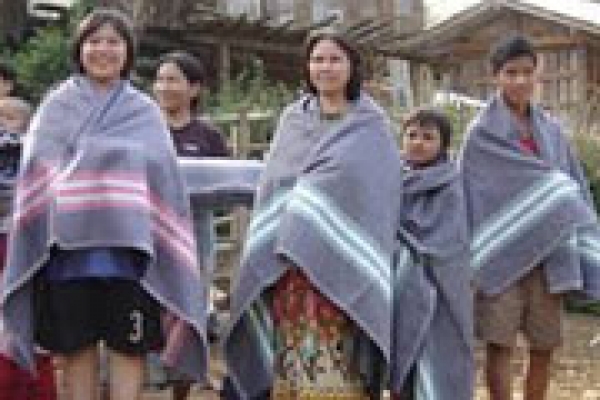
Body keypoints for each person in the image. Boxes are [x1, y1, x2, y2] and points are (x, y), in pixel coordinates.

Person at [0, 9, 208, 400]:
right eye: (94, 41)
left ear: (127, 52)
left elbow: (164, 182)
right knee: (76, 348)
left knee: (128, 347)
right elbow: (37, 176)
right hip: (67, 255)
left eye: (113, 42)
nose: (103, 50)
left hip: (130, 256)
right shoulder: (56, 107)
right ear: (79, 49)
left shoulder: (144, 111)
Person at [222, 29, 403, 399]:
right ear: (307, 67)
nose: (326, 68)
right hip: (291, 266)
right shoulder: (293, 121)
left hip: (348, 265)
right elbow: (274, 188)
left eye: (335, 60)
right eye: (318, 60)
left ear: (352, 67)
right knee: (293, 353)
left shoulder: (372, 126)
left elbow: (379, 193)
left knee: (340, 359)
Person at [459, 34, 600, 400]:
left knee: (544, 345)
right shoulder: (480, 134)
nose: (520, 80)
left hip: (549, 251)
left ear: (538, 74)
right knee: (499, 344)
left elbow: (571, 183)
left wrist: (563, 200)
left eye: (527, 72)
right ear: (496, 76)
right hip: (500, 252)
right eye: (511, 73)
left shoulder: (551, 131)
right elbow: (470, 195)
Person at [152, 50, 229, 399]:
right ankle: (151, 379)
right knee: (152, 304)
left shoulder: (208, 135)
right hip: (150, 231)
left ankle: (182, 386)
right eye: (160, 79)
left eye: (173, 80)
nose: (164, 87)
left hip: (196, 231)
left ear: (194, 88)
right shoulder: (144, 131)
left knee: (189, 307)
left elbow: (226, 184)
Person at [391, 108, 474, 400]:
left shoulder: (452, 185)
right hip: (396, 285)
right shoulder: (389, 179)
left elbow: (452, 239)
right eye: (412, 135)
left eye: (428, 137)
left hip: (443, 289)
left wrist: (414, 253)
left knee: (438, 357)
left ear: (443, 144)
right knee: (400, 360)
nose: (418, 143)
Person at [0, 97, 57, 400]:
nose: (2, 123)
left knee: (29, 320)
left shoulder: (34, 151)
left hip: (27, 243)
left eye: (9, 117)